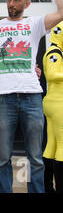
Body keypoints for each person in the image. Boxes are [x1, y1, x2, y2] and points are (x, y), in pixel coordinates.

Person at [0, 0, 63, 193]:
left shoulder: (34, 23)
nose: (11, 3)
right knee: (2, 158)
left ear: (26, 4)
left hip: (31, 97)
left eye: (17, 0)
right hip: (2, 99)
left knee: (35, 157)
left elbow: (61, 11)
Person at [42, 21, 63, 193]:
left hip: (54, 102)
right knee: (62, 145)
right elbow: (53, 74)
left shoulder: (56, 51)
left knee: (52, 145)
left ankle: (48, 187)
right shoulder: (54, 52)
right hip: (58, 103)